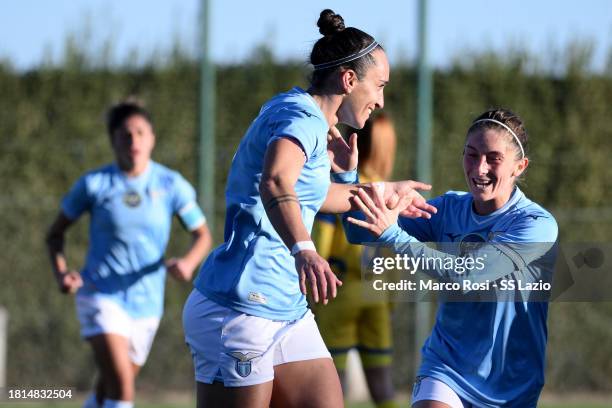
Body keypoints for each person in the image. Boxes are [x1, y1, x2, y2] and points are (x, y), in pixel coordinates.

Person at [182, 9, 435, 408]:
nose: (380, 100)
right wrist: (305, 250)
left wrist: (380, 189)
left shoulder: (308, 117)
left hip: (287, 309)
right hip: (240, 308)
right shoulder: (301, 118)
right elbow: (275, 181)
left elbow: (315, 197)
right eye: (379, 86)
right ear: (349, 80)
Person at [343, 108, 559, 407]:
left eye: (493, 158)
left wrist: (393, 235)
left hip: (513, 384)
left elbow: (467, 275)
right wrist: (345, 176)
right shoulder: (448, 209)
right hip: (446, 368)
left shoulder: (536, 225)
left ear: (519, 167)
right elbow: (358, 233)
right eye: (471, 155)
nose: (479, 168)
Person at [46, 101, 212, 408]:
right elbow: (55, 235)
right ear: (113, 140)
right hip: (100, 296)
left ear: (152, 138)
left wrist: (188, 263)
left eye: (140, 133)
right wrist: (61, 273)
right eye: (125, 135)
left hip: (147, 303)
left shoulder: (170, 184)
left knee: (106, 390)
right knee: (122, 388)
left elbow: (202, 235)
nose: (133, 141)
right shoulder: (94, 184)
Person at [312, 113, 399, 408]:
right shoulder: (388, 191)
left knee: (331, 387)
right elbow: (394, 252)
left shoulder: (340, 189)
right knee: (382, 388)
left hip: (339, 292)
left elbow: (321, 245)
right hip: (377, 295)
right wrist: (391, 301)